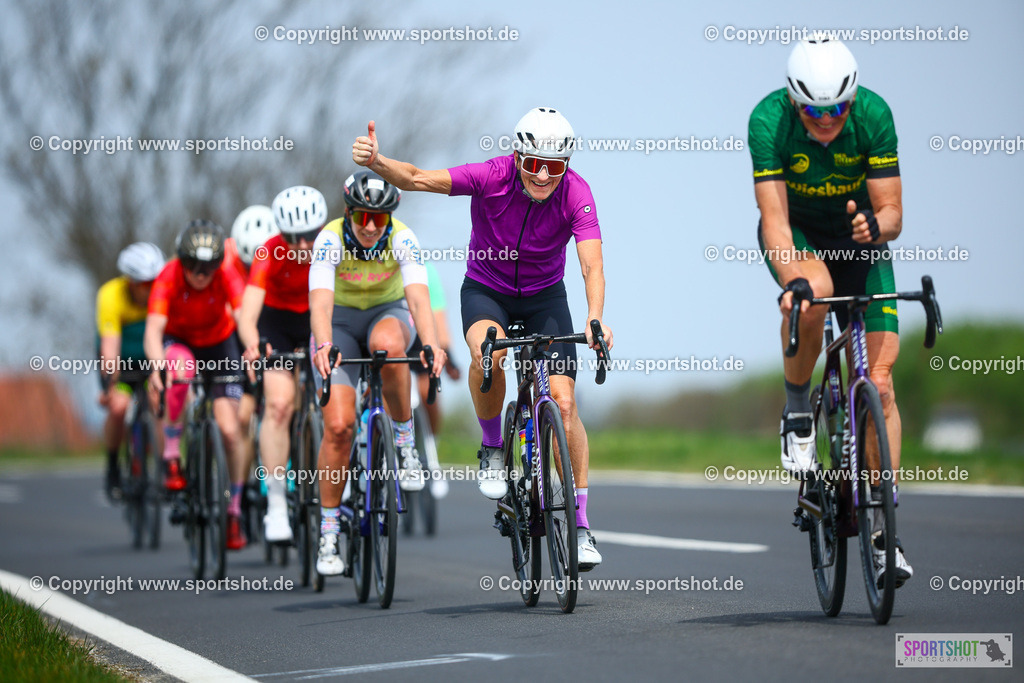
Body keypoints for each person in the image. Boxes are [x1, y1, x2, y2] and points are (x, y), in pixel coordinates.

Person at [351, 106, 613, 571]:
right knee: (486, 354)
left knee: (565, 403)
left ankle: (580, 524)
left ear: (566, 165)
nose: (543, 176)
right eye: (534, 164)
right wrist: (378, 163)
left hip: (545, 298)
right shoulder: (490, 176)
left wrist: (594, 318)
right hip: (486, 291)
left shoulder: (577, 193)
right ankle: (493, 447)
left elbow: (591, 264)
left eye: (554, 167)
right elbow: (416, 178)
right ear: (517, 157)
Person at [748, 35, 911, 586]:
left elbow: (892, 211)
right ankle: (798, 413)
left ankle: (886, 536)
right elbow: (772, 216)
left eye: (838, 108)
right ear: (795, 101)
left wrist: (876, 226)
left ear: (853, 98)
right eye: (815, 111)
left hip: (860, 240)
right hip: (799, 235)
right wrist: (792, 274)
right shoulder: (768, 120)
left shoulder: (874, 114)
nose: (827, 120)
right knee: (812, 292)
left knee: (882, 385)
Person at [308, 171, 446, 576]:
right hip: (340, 324)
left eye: (379, 219)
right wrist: (321, 345)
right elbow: (319, 304)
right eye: (363, 217)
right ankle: (329, 532)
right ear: (349, 212)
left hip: (388, 313)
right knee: (337, 428)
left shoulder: (402, 237)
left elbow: (419, 300)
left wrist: (434, 344)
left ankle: (404, 443)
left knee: (390, 346)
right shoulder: (330, 239)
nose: (370, 227)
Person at [144, 220, 249, 550]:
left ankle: (233, 512)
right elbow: (153, 331)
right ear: (181, 260)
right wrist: (157, 364)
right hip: (180, 341)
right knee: (181, 369)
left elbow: (244, 316)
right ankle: (173, 453)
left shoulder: (228, 273)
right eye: (192, 265)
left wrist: (253, 348)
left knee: (231, 432)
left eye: (208, 267)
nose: (200, 274)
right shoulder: (168, 275)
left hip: (220, 342)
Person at [237, 187, 325, 543]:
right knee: (277, 404)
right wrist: (254, 344)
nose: (303, 246)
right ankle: (275, 503)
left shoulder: (333, 242)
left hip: (317, 316)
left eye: (309, 236)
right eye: (293, 238)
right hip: (276, 322)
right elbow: (248, 315)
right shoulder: (268, 251)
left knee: (333, 396)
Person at [96, 242, 165, 500]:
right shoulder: (110, 295)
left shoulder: (163, 293)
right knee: (118, 408)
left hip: (151, 359)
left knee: (159, 402)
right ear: (130, 282)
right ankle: (113, 466)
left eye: (154, 282)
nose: (151, 289)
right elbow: (110, 346)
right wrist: (108, 386)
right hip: (122, 361)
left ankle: (164, 466)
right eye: (144, 284)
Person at [228, 204, 280, 518]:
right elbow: (237, 317)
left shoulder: (280, 255)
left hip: (275, 333)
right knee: (244, 414)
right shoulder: (227, 264)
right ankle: (242, 486)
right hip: (240, 336)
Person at [408, 261, 462, 498]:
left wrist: (449, 356)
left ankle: (430, 441)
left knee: (427, 389)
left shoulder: (425, 270)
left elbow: (438, 317)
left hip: (420, 335)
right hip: (390, 329)